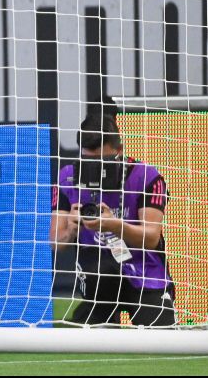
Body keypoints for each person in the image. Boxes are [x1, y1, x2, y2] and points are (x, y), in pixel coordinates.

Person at [51, 111, 176, 327]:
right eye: (87, 161)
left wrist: (114, 225)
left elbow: (151, 238)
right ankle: (95, 314)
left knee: (162, 337)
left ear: (119, 151)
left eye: (102, 162)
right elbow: (56, 241)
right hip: (98, 275)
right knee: (82, 339)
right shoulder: (67, 177)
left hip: (145, 271)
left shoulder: (147, 176)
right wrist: (71, 228)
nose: (95, 169)